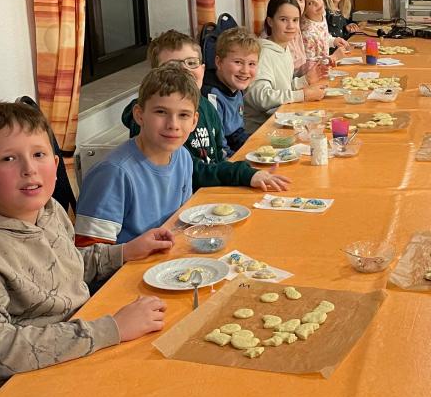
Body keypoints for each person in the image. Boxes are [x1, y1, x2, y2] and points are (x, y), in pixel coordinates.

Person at [0, 101, 169, 397]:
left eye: (38, 154)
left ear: (55, 164)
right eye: (9, 158)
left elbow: (65, 265)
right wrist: (112, 329)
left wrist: (124, 252)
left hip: (71, 347)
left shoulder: (47, 209)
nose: (29, 169)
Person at [122, 30, 288, 193]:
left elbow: (220, 155)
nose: (185, 71)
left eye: (191, 63)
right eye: (172, 66)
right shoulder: (150, 120)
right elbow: (188, 171)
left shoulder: (206, 107)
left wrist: (248, 167)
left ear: (202, 68)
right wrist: (241, 173)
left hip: (212, 191)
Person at [77, 65, 198, 245]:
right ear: (139, 115)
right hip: (127, 262)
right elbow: (85, 254)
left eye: (183, 115)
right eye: (161, 112)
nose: (173, 124)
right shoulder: (113, 173)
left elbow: (180, 223)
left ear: (194, 121)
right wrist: (131, 251)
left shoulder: (183, 157)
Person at [245, 0, 327, 132]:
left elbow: (281, 88)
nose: (291, 26)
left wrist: (304, 81)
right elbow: (262, 98)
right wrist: (303, 95)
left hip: (280, 121)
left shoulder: (284, 48)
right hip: (261, 129)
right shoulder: (263, 53)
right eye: (283, 20)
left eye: (295, 20)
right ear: (270, 21)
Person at [203, 27, 259, 153]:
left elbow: (236, 134)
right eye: (238, 62)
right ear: (219, 62)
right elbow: (219, 149)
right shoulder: (211, 97)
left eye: (251, 64)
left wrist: (257, 148)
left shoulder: (236, 87)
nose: (245, 70)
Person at [301, 0, 348, 65]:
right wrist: (334, 57)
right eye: (310, 3)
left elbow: (322, 38)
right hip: (319, 70)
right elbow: (310, 66)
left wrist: (333, 41)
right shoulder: (307, 34)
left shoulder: (322, 14)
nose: (317, 3)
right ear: (303, 10)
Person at [270, 0, 309, 73]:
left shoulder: (296, 23)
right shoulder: (277, 31)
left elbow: (301, 61)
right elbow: (283, 75)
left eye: (301, 0)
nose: (299, 5)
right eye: (292, 0)